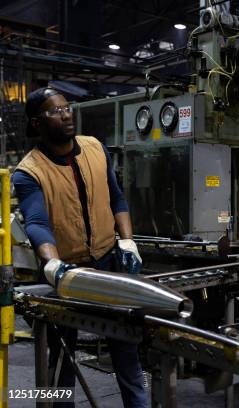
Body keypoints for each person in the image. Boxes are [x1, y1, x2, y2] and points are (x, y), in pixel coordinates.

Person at [12, 87, 147, 407]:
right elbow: (36, 222)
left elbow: (117, 198)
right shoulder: (29, 172)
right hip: (69, 273)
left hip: (109, 262)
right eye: (55, 111)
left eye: (67, 108)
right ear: (36, 124)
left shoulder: (95, 148)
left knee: (128, 355)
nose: (66, 114)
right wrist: (53, 263)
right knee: (61, 361)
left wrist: (127, 240)